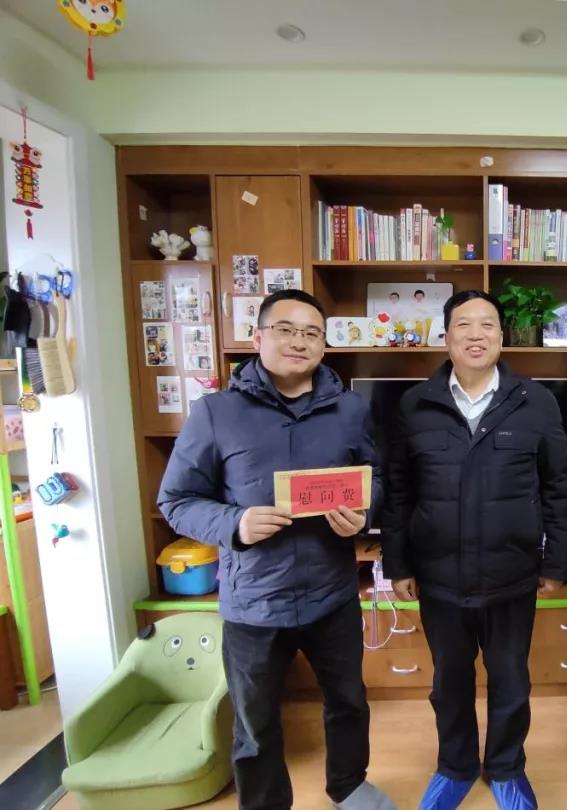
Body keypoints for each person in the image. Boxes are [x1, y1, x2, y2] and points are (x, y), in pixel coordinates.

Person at [158, 289, 394, 810]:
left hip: (332, 593)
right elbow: (175, 500)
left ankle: (349, 786)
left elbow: (375, 479)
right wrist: (235, 523)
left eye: (311, 333)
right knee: (255, 721)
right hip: (254, 602)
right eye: (285, 330)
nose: (298, 342)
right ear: (258, 337)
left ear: (324, 345)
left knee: (348, 702)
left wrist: (364, 513)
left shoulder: (351, 410)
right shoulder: (215, 413)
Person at [380, 290, 567, 810]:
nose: (475, 334)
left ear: (501, 337)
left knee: (511, 680)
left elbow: (558, 489)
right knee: (449, 683)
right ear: (446, 337)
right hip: (439, 576)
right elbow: (399, 492)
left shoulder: (536, 402)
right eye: (463, 324)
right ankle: (456, 766)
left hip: (512, 574)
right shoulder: (415, 404)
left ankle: (507, 767)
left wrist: (557, 563)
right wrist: (397, 563)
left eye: (487, 324)